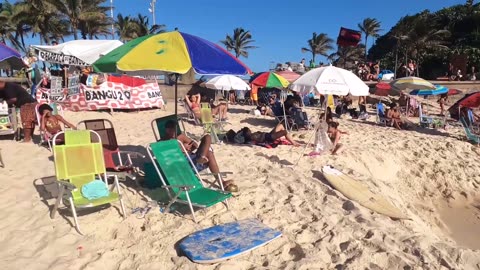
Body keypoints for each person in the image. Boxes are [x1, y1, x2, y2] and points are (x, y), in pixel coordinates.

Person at [163, 120, 238, 192]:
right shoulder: (163, 142)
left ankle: (201, 157)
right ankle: (221, 182)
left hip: (192, 158)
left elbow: (195, 145)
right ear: (166, 130)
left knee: (207, 137)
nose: (172, 131)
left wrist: (188, 147)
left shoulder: (181, 137)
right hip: (184, 164)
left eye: (173, 129)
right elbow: (167, 159)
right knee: (209, 153)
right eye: (169, 129)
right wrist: (181, 150)